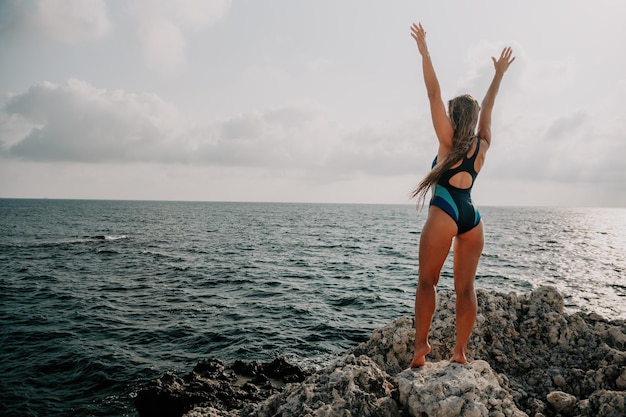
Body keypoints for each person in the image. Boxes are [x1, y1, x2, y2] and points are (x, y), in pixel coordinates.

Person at [408, 22, 515, 368]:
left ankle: (421, 348)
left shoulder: (447, 140)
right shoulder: (482, 143)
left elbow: (432, 94)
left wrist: (425, 52)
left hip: (445, 211)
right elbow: (488, 105)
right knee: (466, 289)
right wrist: (498, 74)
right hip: (472, 217)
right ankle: (460, 353)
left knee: (427, 281)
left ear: (454, 117)